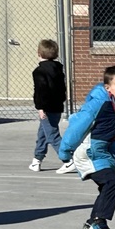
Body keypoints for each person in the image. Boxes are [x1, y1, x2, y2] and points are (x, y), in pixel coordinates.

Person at [58, 65, 115, 229]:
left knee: (107, 188)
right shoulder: (98, 105)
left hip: (107, 157)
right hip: (89, 154)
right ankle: (99, 223)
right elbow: (77, 127)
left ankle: (90, 225)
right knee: (113, 182)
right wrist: (65, 151)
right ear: (108, 88)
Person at [28, 39, 74, 174]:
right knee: (43, 133)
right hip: (57, 106)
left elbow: (40, 90)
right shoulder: (58, 69)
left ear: (39, 53)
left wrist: (40, 108)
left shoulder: (39, 71)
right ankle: (37, 159)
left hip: (46, 108)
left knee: (52, 135)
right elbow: (62, 89)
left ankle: (68, 160)